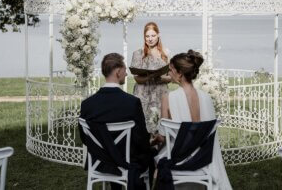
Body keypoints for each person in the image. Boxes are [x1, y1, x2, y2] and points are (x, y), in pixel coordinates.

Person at [154, 50, 232, 190]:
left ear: (180, 73)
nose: (169, 73)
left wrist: (154, 139)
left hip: (178, 160)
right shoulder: (207, 99)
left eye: (171, 70)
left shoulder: (168, 98)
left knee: (154, 155)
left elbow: (162, 137)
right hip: (203, 159)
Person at [80, 53, 153, 190]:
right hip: (126, 163)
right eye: (125, 70)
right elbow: (141, 140)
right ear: (118, 71)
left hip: (100, 163)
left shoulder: (87, 104)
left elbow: (85, 138)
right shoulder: (132, 103)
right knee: (149, 155)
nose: (126, 74)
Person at [130, 22, 171, 133]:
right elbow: (137, 78)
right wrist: (150, 77)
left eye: (153, 35)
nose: (150, 39)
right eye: (147, 36)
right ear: (144, 37)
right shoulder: (138, 53)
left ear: (158, 35)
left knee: (160, 125)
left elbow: (170, 78)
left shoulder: (166, 53)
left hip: (160, 93)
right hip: (143, 94)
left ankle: (161, 148)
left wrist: (160, 78)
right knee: (142, 125)